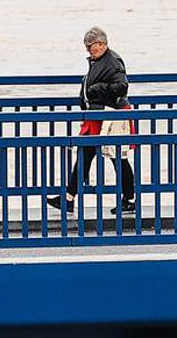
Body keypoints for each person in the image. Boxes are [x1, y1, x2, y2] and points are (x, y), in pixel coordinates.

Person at [47, 26, 137, 215]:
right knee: (85, 155)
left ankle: (129, 200)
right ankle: (69, 198)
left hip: (111, 116)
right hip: (98, 115)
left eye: (93, 45)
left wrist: (98, 89)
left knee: (118, 158)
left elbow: (122, 87)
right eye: (87, 46)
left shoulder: (112, 61)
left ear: (103, 44)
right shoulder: (98, 61)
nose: (90, 49)